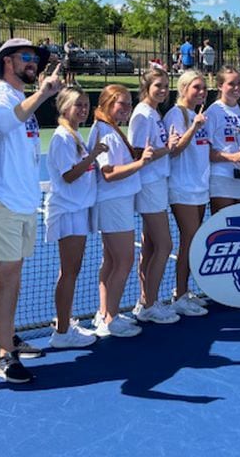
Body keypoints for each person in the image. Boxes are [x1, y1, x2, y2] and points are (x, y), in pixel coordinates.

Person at [0, 38, 62, 384]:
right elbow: (0, 125)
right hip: (4, 202)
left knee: (15, 277)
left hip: (25, 202)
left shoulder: (18, 98)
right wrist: (42, 94)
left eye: (36, 59)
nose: (33, 63)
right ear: (6, 61)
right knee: (7, 277)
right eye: (26, 57)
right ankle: (2, 351)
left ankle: (7, 335)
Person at [45, 87, 105, 349]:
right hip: (68, 211)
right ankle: (61, 332)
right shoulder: (62, 138)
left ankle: (65, 321)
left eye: (85, 105)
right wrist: (93, 155)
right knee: (69, 272)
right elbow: (69, 175)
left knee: (71, 270)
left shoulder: (75, 135)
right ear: (64, 108)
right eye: (77, 105)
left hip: (78, 209)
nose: (82, 109)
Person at [88, 85, 147, 338]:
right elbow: (109, 173)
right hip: (114, 204)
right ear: (107, 103)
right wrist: (141, 163)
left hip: (116, 203)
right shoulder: (106, 133)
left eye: (129, 103)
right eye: (121, 103)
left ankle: (105, 313)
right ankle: (110, 319)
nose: (127, 108)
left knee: (112, 261)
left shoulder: (109, 128)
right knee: (124, 261)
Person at [128, 69, 181, 324]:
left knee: (150, 247)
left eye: (166, 85)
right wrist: (167, 149)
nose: (163, 90)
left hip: (158, 183)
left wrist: (165, 149)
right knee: (165, 246)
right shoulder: (141, 114)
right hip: (148, 185)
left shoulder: (153, 113)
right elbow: (139, 154)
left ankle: (145, 300)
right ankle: (149, 304)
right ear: (146, 86)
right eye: (158, 85)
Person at [165, 70, 210, 317]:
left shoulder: (197, 114)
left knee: (193, 241)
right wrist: (194, 127)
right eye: (196, 87)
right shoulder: (177, 114)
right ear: (184, 89)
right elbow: (174, 151)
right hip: (182, 187)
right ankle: (179, 294)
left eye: (203, 88)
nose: (201, 92)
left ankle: (184, 290)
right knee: (188, 239)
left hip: (200, 187)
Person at [206, 66, 240, 214]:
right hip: (221, 176)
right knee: (223, 225)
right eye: (231, 84)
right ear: (220, 86)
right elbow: (206, 151)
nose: (236, 88)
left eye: (239, 83)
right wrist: (231, 157)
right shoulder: (213, 112)